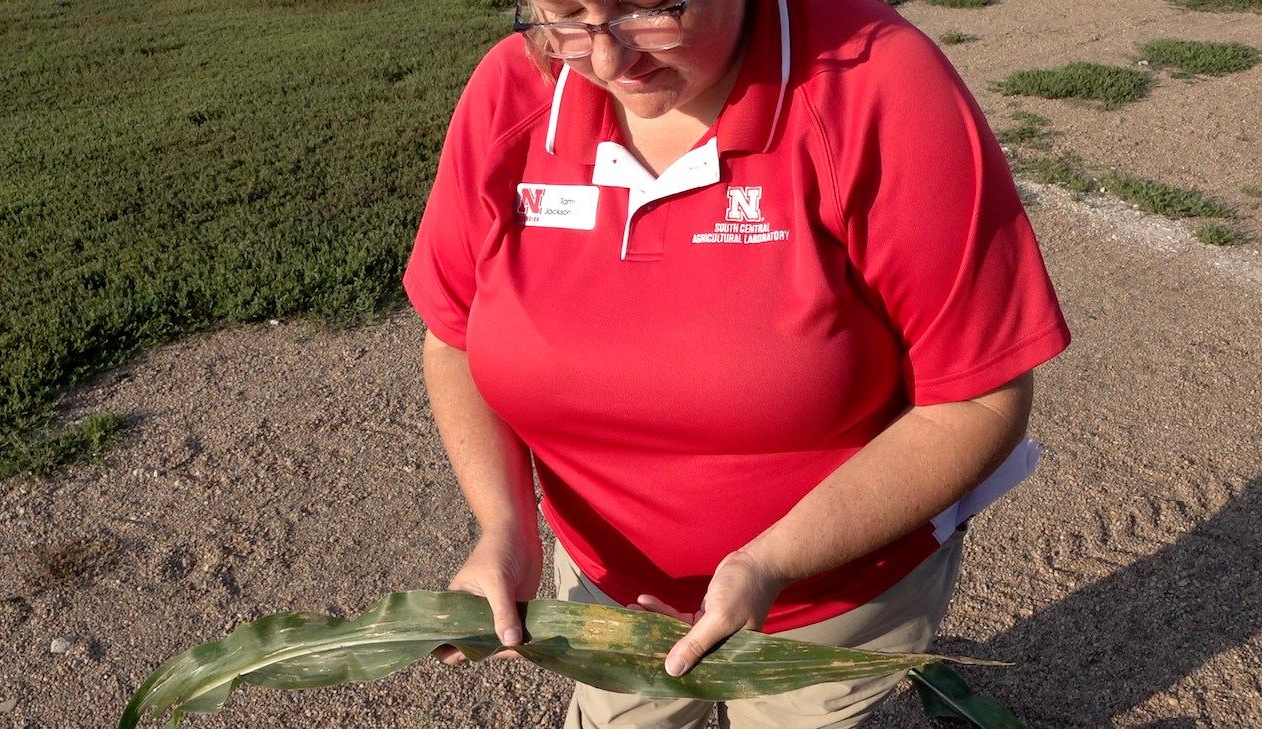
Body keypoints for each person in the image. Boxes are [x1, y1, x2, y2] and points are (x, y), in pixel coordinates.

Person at [402, 0, 1070, 725]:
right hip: (606, 594)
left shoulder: (879, 81)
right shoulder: (513, 90)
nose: (607, 60)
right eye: (565, 14)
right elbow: (454, 334)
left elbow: (976, 399)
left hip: (826, 606)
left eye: (648, 9)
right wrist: (505, 528)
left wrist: (771, 563)